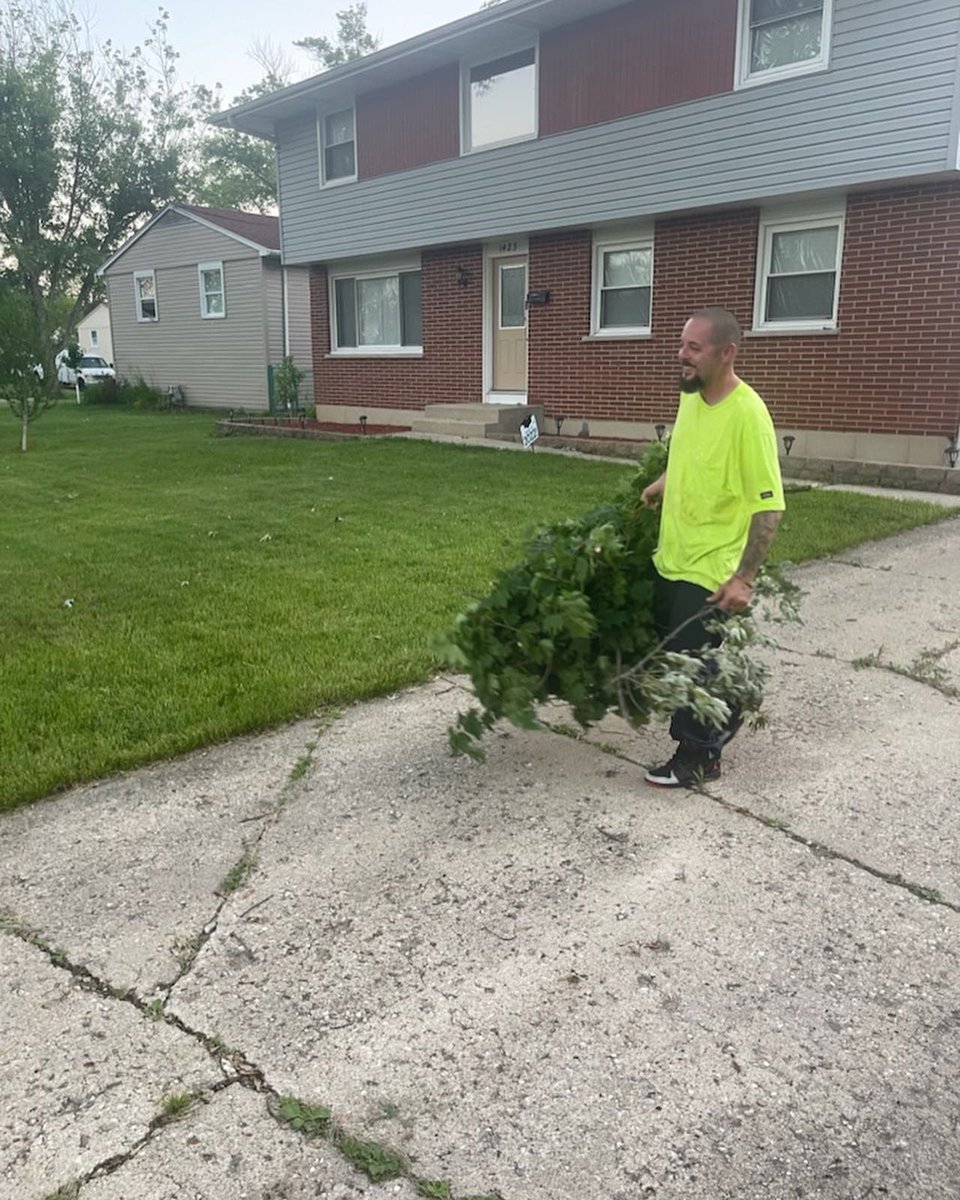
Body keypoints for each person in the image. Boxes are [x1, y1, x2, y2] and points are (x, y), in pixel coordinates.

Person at [640, 306, 784, 788]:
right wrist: (663, 482)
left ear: (727, 353)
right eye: (682, 345)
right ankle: (727, 708)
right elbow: (688, 454)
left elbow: (769, 507)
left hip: (712, 565)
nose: (681, 355)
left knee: (690, 663)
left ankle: (699, 757)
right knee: (682, 656)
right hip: (675, 554)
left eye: (693, 348)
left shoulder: (749, 416)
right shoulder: (693, 396)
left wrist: (743, 577)